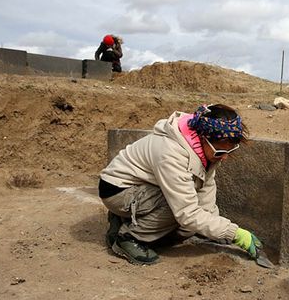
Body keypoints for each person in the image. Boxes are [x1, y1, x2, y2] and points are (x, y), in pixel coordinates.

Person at [98, 104, 262, 265]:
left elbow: (205, 188)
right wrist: (234, 233)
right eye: (220, 152)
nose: (224, 157)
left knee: (188, 229)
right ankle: (129, 238)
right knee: (179, 211)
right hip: (118, 191)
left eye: (230, 151)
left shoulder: (204, 149)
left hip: (144, 189)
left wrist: (217, 229)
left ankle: (124, 220)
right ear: (204, 138)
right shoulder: (171, 152)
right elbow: (187, 213)